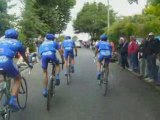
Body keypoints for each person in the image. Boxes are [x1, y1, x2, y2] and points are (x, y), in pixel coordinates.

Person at [0, 28, 32, 110]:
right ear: (16, 36)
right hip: (7, 62)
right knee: (17, 78)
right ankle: (12, 100)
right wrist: (29, 64)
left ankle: (4, 94)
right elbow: (24, 57)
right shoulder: (18, 43)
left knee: (2, 79)